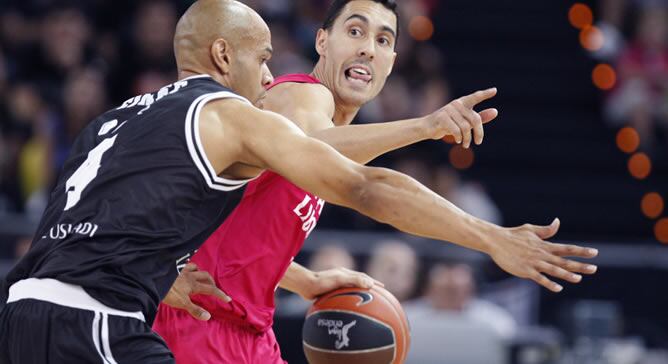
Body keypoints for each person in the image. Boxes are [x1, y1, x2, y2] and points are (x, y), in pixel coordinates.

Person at [0, 0, 597, 363]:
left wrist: (304, 280)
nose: (368, 48)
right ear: (322, 41)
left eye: (384, 40)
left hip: (228, 321)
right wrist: (433, 139)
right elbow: (364, 185)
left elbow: (219, 230)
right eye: (355, 31)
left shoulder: (138, 119)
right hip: (186, 325)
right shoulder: (294, 97)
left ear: (393, 61)